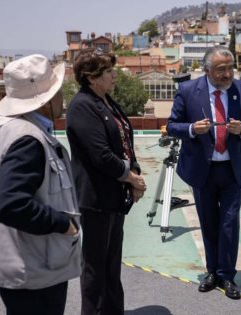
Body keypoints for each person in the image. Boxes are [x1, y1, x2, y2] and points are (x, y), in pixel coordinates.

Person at [0, 54, 81, 315]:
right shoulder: (28, 140)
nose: (62, 98)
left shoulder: (4, 128)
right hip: (33, 265)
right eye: (58, 91)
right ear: (45, 101)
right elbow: (10, 204)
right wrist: (62, 223)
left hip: (15, 259)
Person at [167, 46, 241, 300]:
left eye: (230, 68)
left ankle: (228, 276)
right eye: (221, 69)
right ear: (207, 70)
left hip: (233, 170)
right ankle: (212, 272)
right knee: (208, 221)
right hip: (203, 170)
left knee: (229, 223)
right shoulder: (188, 91)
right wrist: (191, 129)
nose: (227, 74)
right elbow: (171, 125)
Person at [66, 48, 146, 315]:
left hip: (113, 197)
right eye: (109, 72)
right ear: (91, 77)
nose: (115, 76)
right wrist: (133, 179)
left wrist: (133, 173)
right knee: (95, 268)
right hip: (96, 199)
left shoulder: (107, 101)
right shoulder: (81, 106)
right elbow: (101, 155)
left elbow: (124, 140)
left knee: (111, 264)